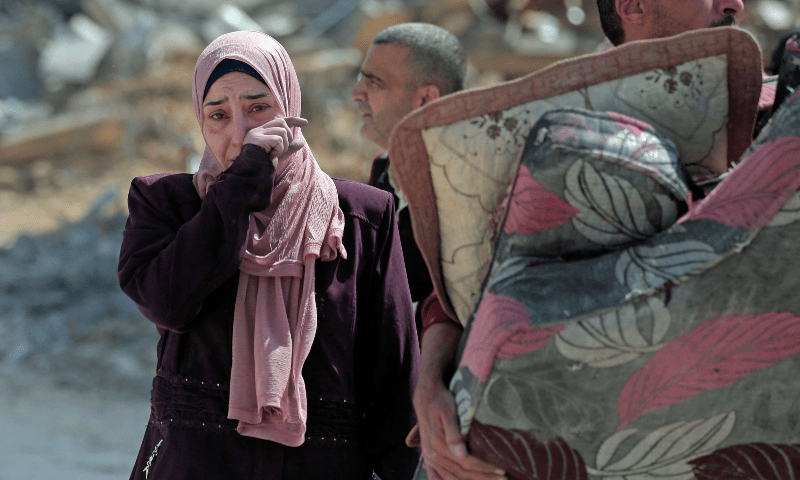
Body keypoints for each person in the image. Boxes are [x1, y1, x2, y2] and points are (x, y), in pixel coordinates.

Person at [409, 2, 776, 480]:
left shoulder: (771, 117)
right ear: (633, 5)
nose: (735, 4)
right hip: (541, 436)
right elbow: (462, 282)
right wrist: (430, 385)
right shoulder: (539, 123)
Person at [118, 30, 420, 480]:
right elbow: (167, 303)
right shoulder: (166, 205)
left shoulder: (361, 218)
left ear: (290, 108)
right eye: (218, 114)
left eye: (259, 109)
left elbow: (394, 380)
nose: (241, 135)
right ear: (200, 124)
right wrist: (242, 186)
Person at [351, 23, 467, 309]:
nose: (356, 93)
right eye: (361, 78)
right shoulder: (384, 168)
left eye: (375, 82)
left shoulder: (466, 182)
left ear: (426, 99)